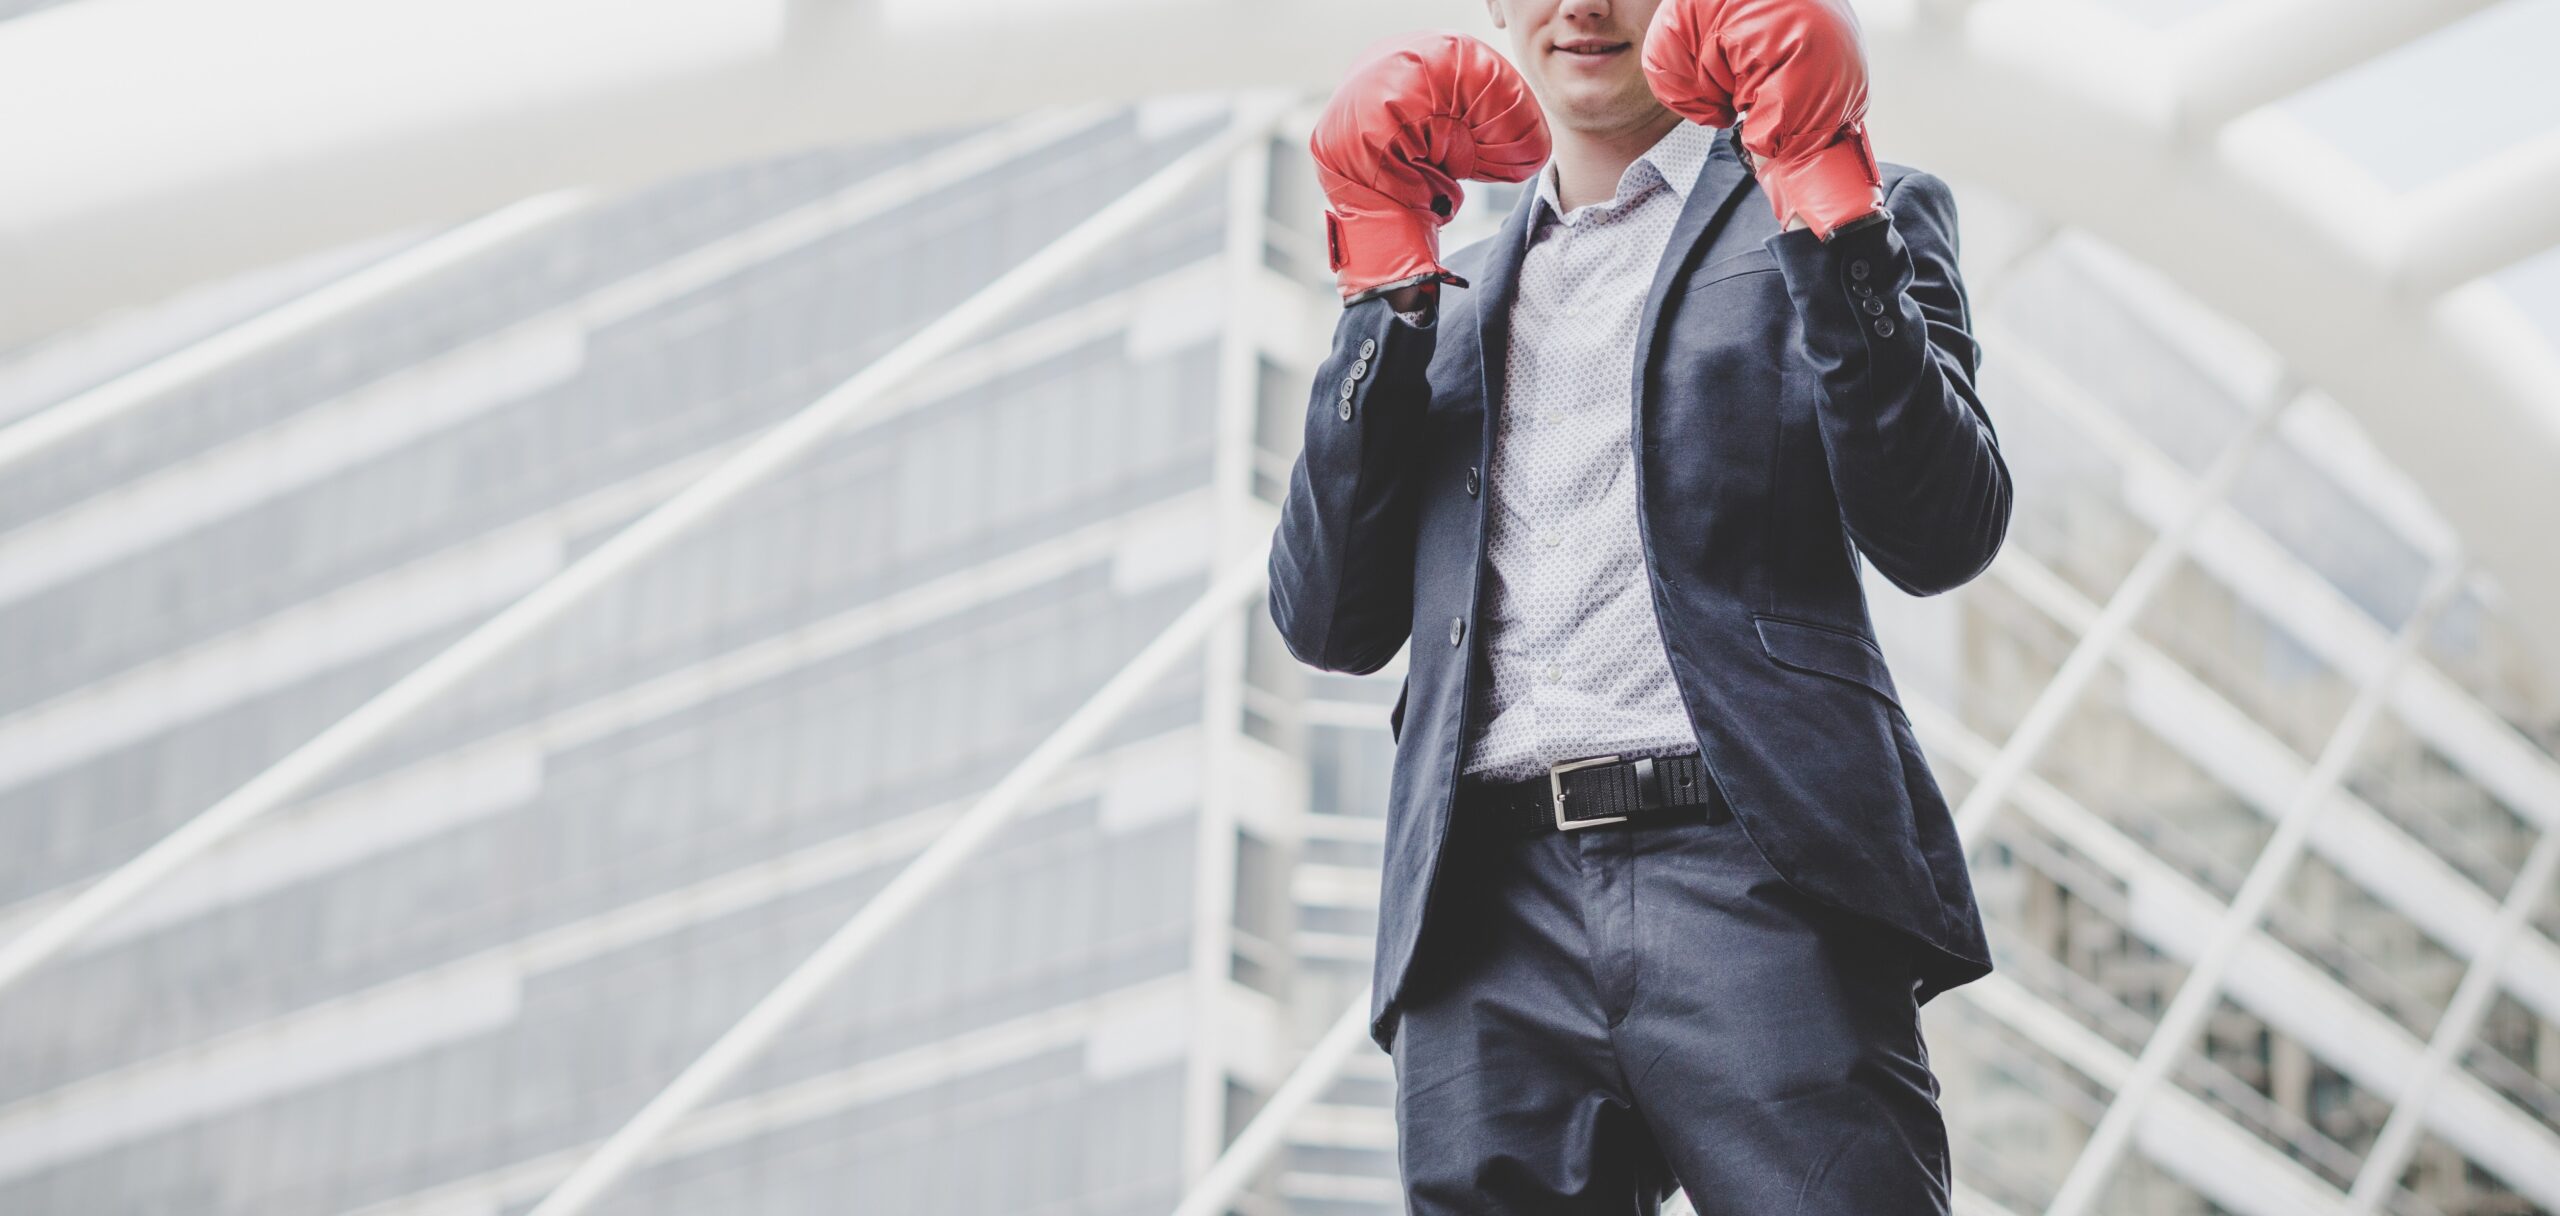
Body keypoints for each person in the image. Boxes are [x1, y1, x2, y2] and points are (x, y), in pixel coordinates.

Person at [1266, 0, 2014, 1210]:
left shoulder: (1849, 206)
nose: (1586, 7)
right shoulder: (1442, 294)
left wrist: (1823, 195)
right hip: (1480, 920)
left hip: (1751, 870)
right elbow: (1324, 618)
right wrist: (1377, 277)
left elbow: (1941, 530)